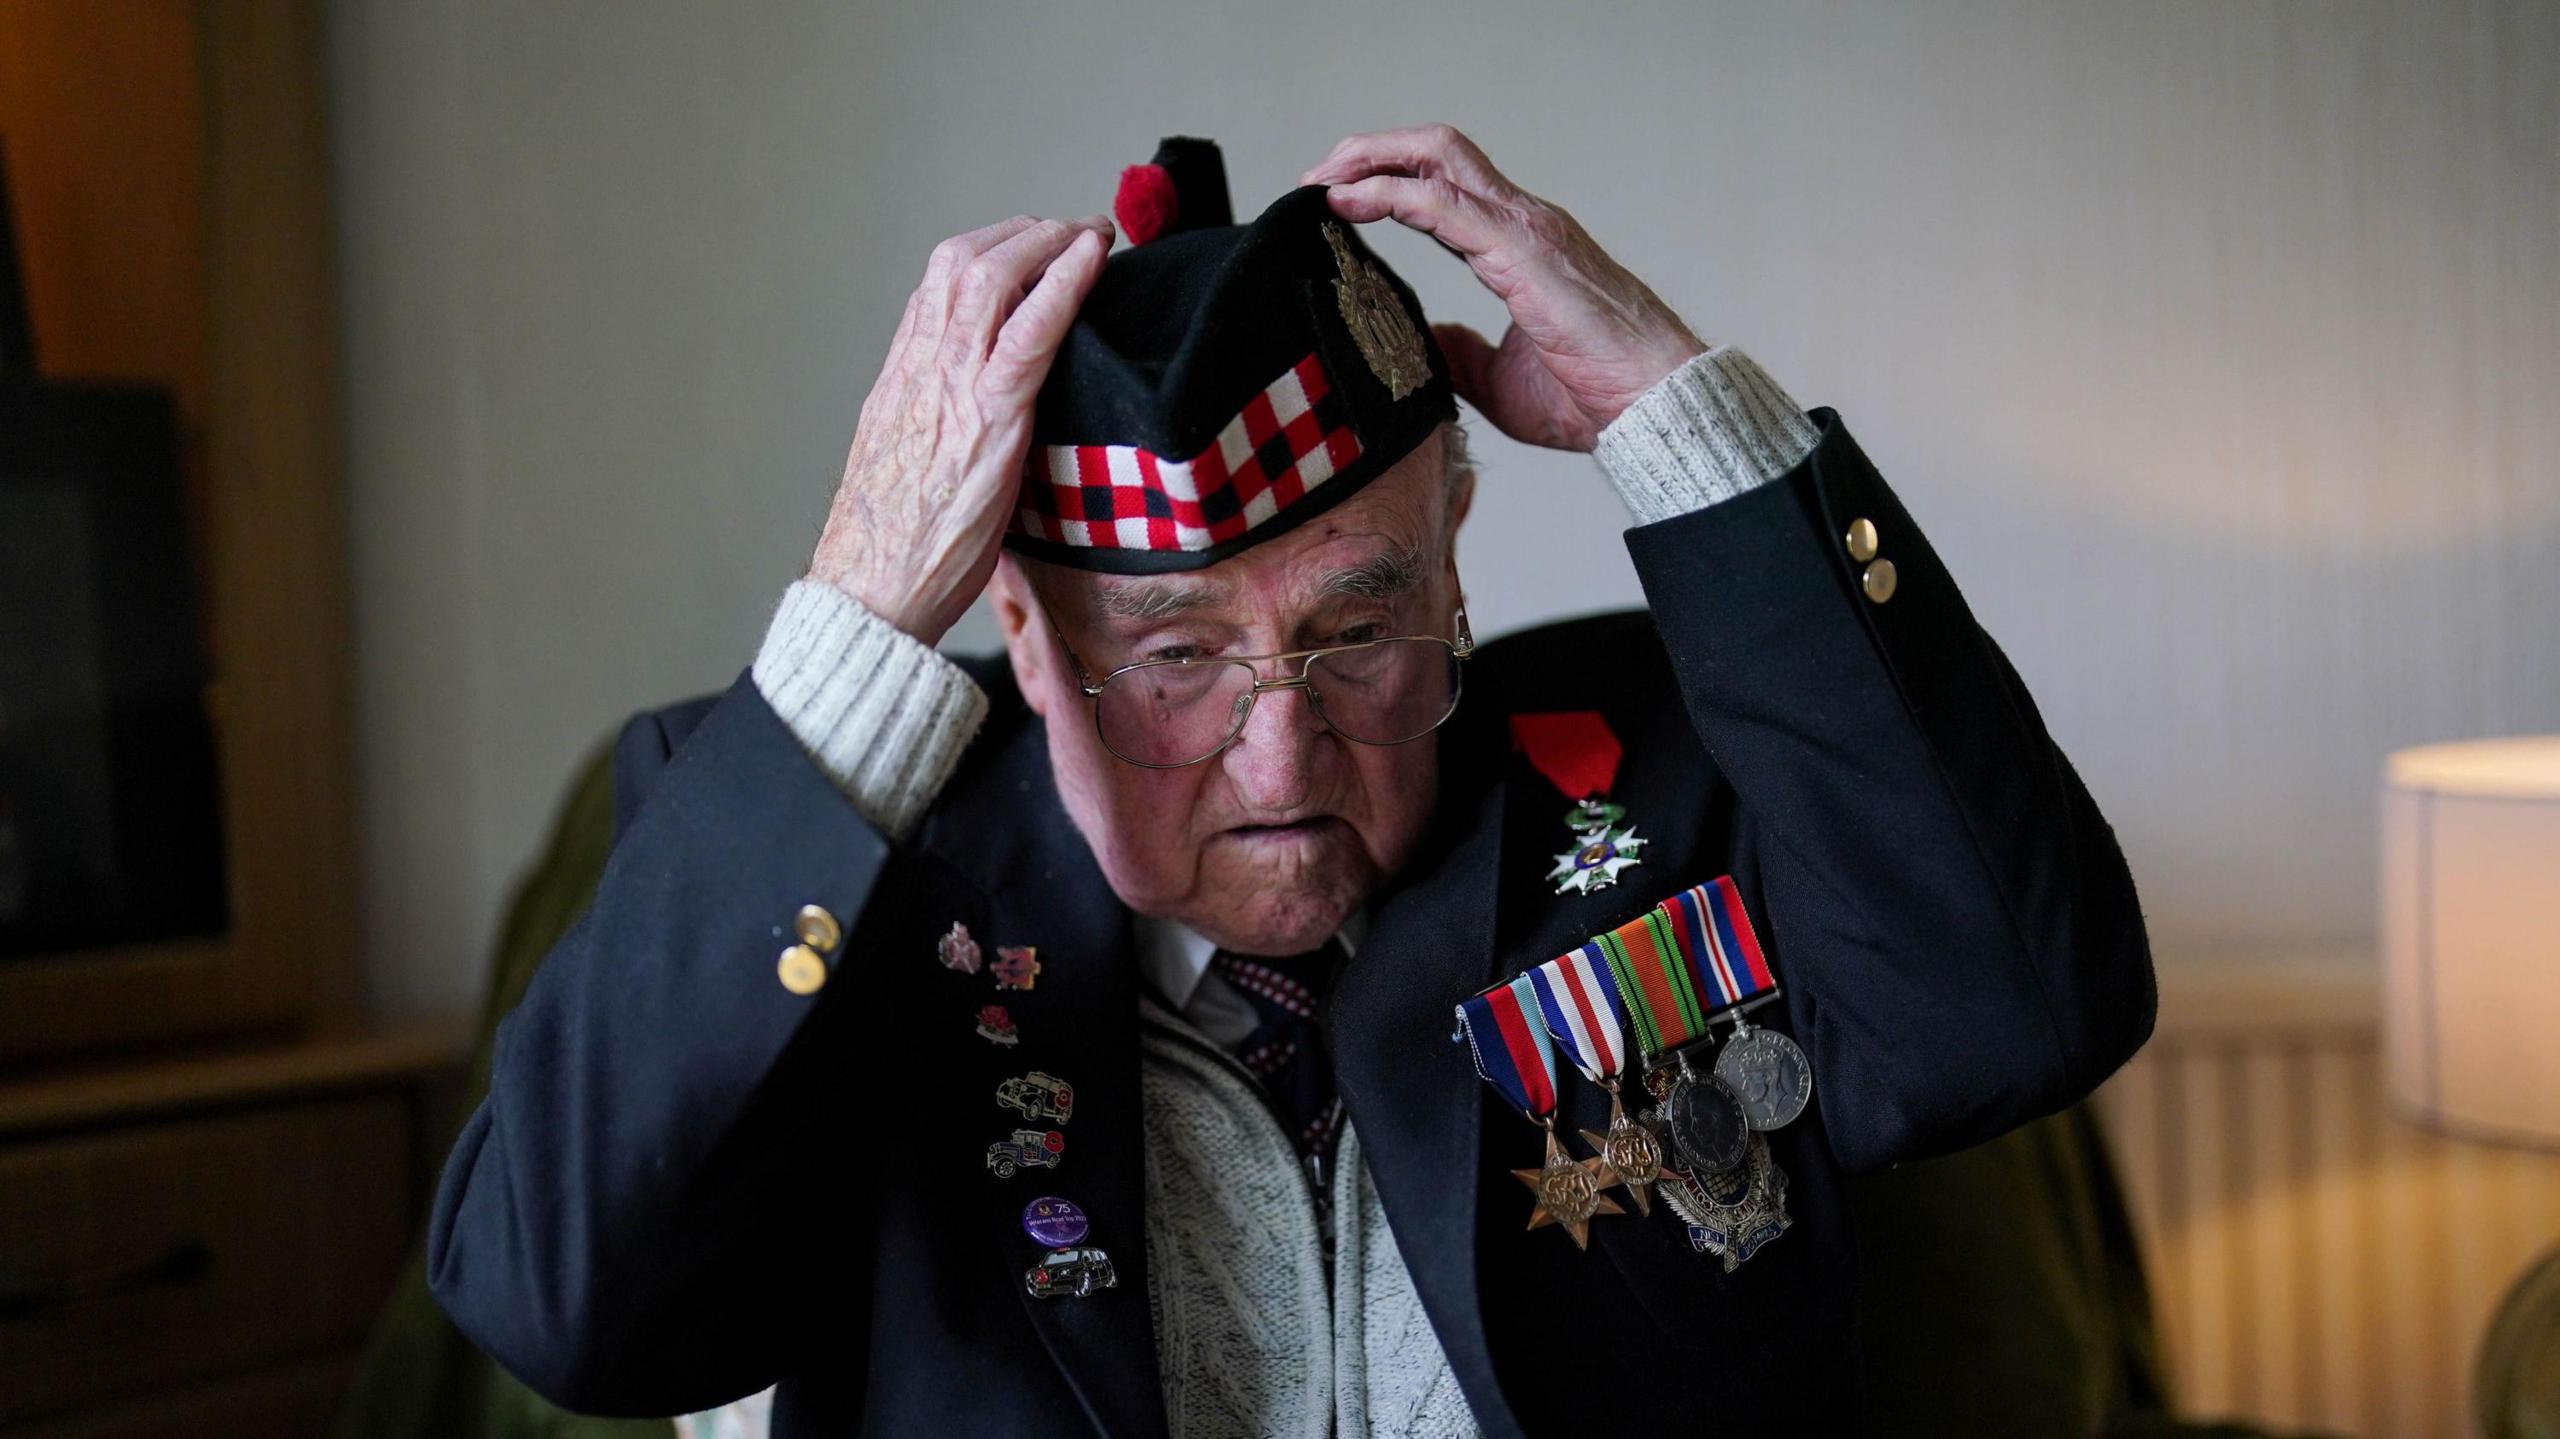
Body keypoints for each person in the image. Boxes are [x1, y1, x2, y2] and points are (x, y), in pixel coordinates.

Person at [427, 126, 2156, 1438]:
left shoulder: (1668, 769)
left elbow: (2021, 1006)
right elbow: (563, 1301)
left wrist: (1695, 434)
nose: (1280, 751)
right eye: (1173, 659)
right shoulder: (837, 857)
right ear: (1018, 635)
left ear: (1455, 557)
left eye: (1357, 628)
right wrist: (859, 616)